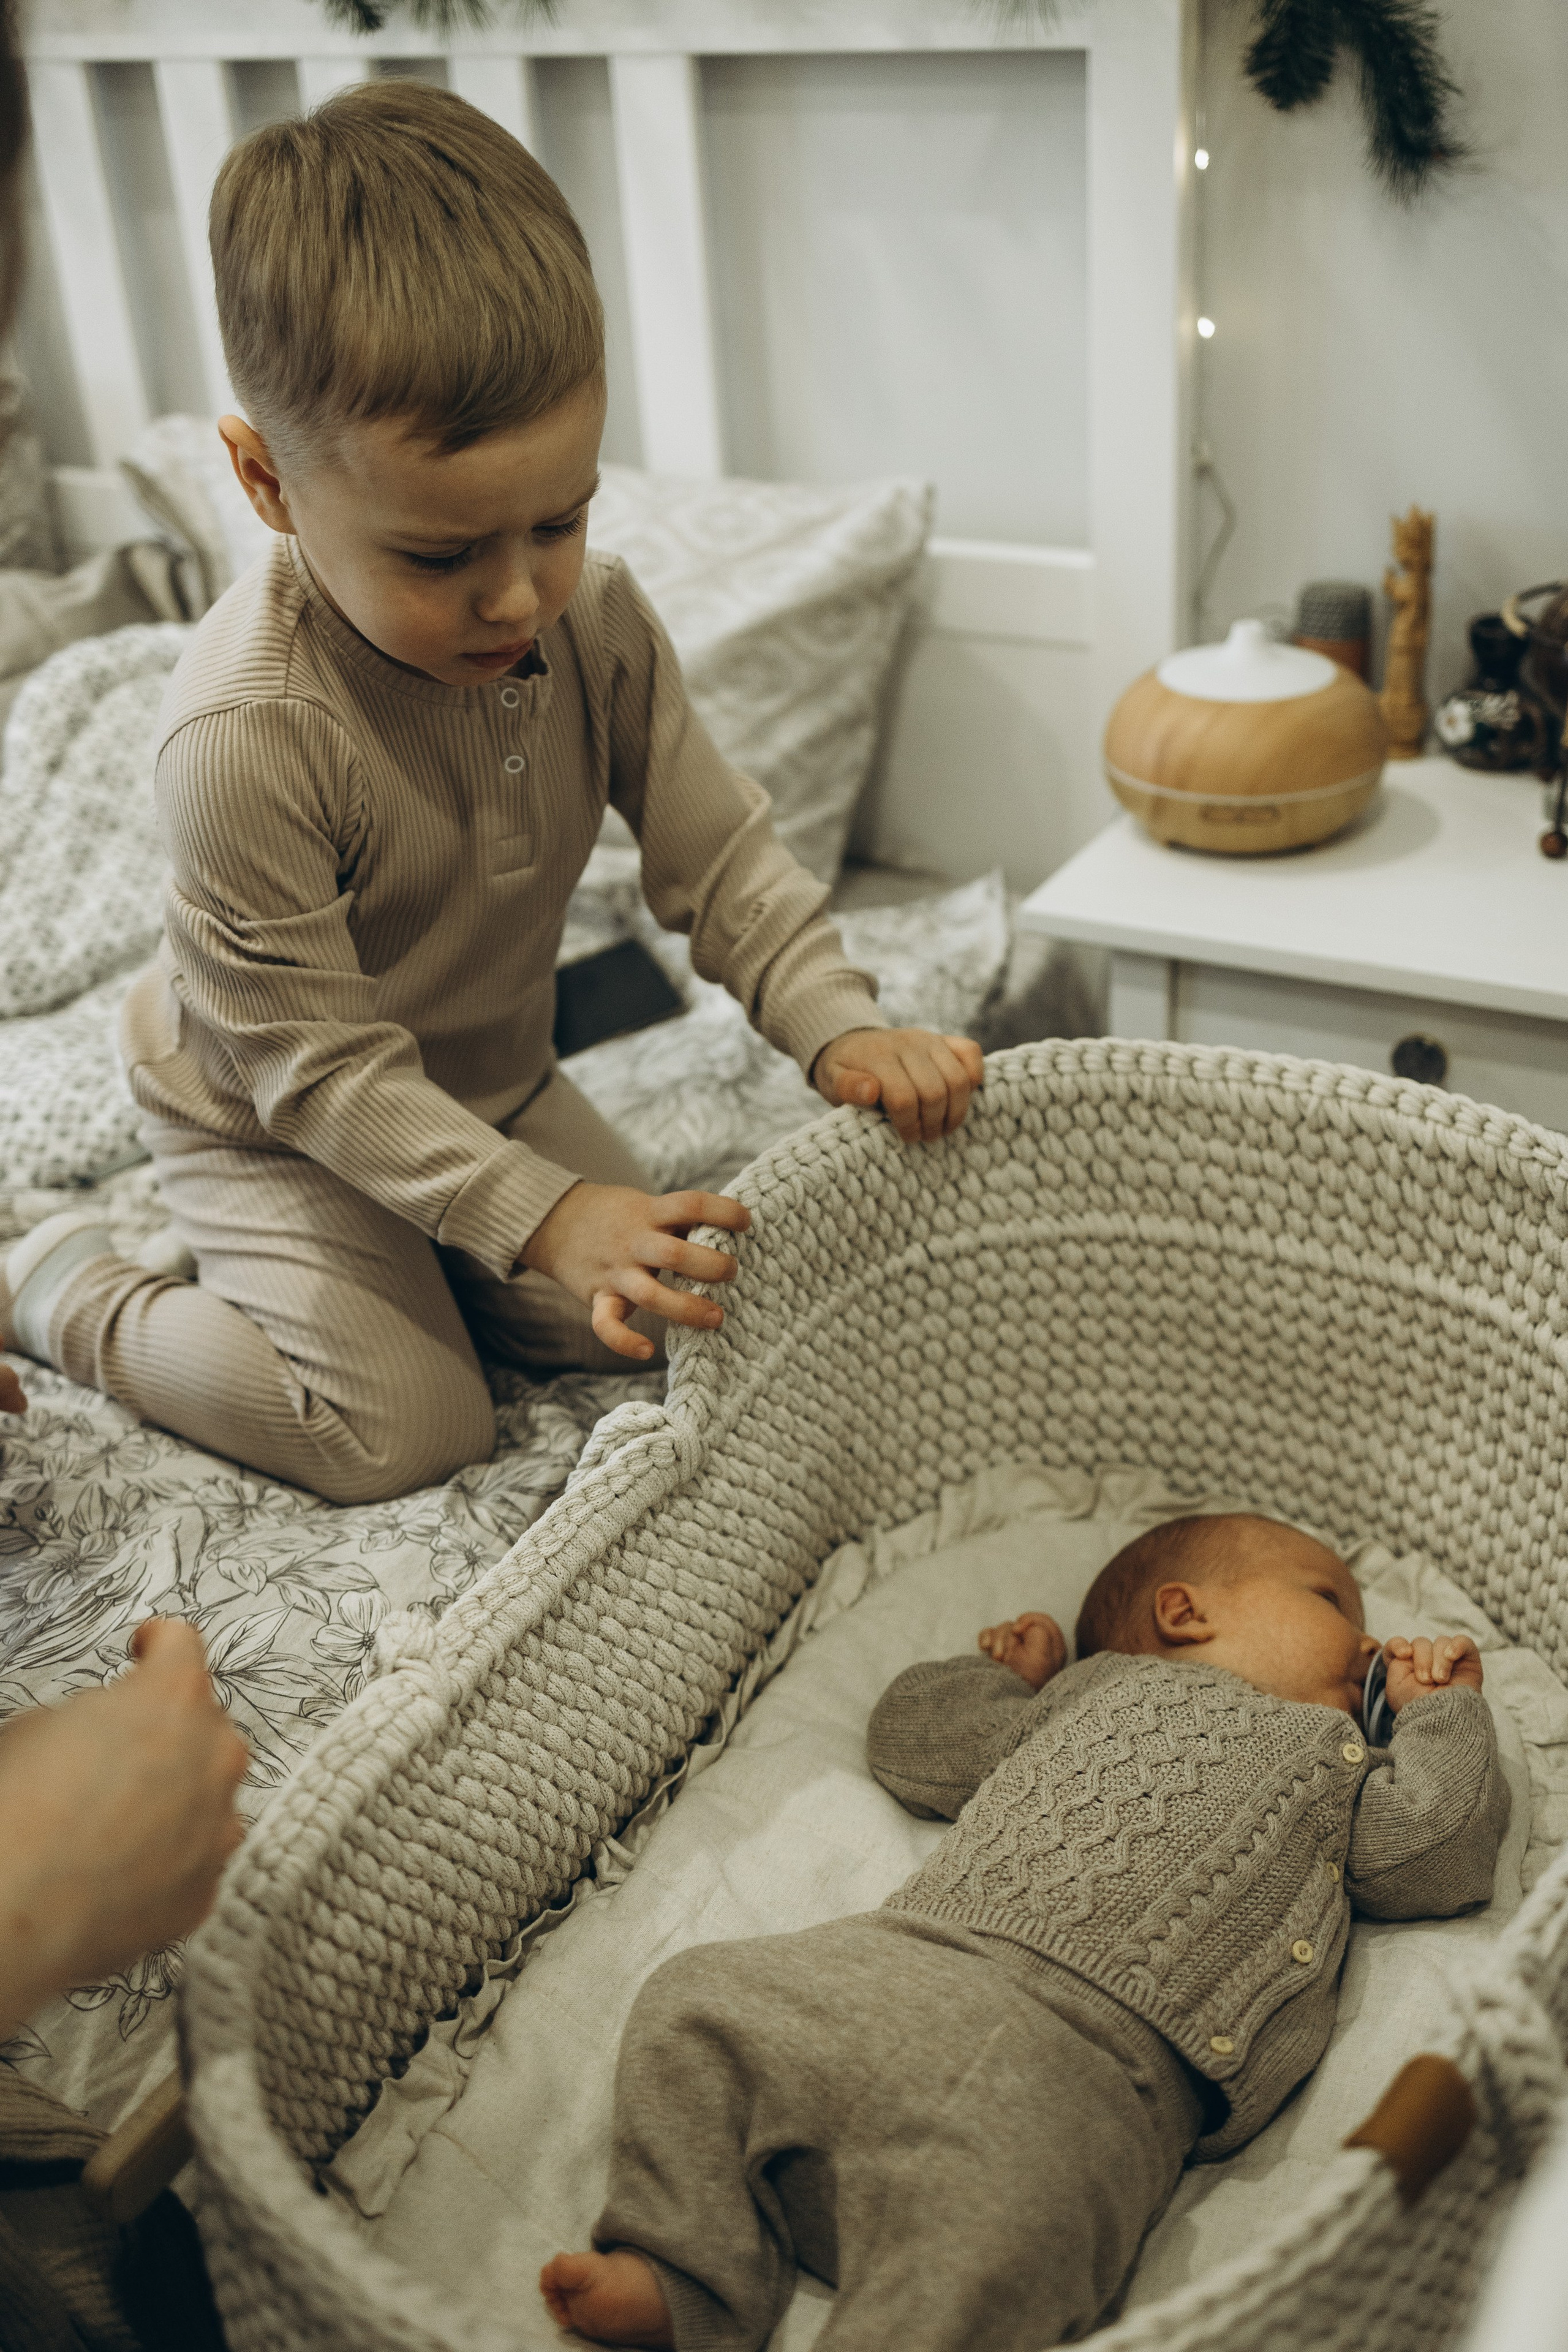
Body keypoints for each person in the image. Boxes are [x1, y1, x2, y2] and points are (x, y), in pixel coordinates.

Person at [0, 80, 986, 1507]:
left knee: (668, 1314)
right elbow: (320, 1072)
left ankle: (430, 1266)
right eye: (440, 555)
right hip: (272, 1118)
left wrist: (842, 1028)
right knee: (406, 1431)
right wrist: (539, 1214)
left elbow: (722, 866)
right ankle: (58, 1283)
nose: (517, 595)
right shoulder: (244, 732)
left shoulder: (598, 627)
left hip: (490, 1077)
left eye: (561, 520)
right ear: (265, 481)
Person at [540, 1512, 1510, 2352]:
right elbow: (913, 1742)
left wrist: (1445, 1719)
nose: (1374, 1648)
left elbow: (1440, 1853)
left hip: (1092, 2072)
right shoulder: (1085, 1697)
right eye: (1337, 1604)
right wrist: (1001, 1679)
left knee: (1002, 2242)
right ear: (1185, 1613)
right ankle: (692, 2267)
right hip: (904, 1968)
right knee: (697, 2000)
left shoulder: (1337, 1759)